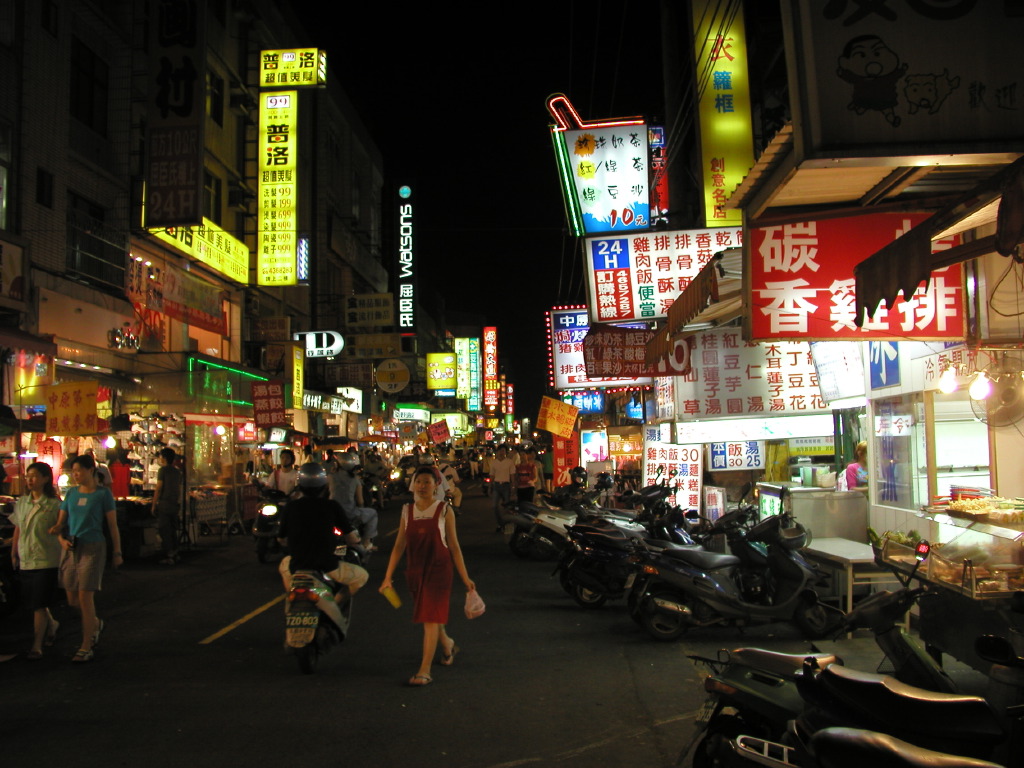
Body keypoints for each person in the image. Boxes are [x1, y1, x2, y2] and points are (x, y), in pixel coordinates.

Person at [380, 465, 475, 687]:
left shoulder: (444, 510)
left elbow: (454, 546)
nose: (422, 486)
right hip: (415, 571)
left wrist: (465, 577)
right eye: (419, 481)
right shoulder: (407, 511)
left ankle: (425, 670)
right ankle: (448, 644)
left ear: (436, 485)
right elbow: (398, 546)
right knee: (428, 615)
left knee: (430, 619)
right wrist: (387, 577)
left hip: (439, 571)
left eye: (427, 482)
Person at [50, 454, 122, 663]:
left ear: (91, 470)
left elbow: (112, 526)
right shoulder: (71, 494)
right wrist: (59, 536)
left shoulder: (102, 495)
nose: (76, 475)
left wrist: (117, 551)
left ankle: (86, 644)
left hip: (93, 547)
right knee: (72, 599)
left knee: (84, 596)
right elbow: (61, 523)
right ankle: (95, 623)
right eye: (73, 472)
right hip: (72, 547)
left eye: (79, 471)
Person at [277, 463, 368, 603]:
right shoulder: (331, 506)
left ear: (300, 485)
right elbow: (351, 537)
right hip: (327, 565)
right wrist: (357, 542)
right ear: (324, 487)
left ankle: (292, 597)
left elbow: (281, 539)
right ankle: (336, 604)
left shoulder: (291, 507)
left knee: (284, 564)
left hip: (297, 565)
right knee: (361, 576)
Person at [10, 462, 62, 660]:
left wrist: (58, 530)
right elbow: (18, 527)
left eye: (34, 476)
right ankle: (52, 624)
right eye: (28, 476)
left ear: (45, 479)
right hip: (26, 557)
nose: (30, 480)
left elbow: (62, 527)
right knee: (34, 602)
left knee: (39, 604)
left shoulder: (53, 504)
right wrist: (14, 551)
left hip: (46, 558)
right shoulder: (22, 502)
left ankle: (37, 645)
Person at [330, 453, 379, 551]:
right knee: (372, 513)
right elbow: (360, 501)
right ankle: (367, 543)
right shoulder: (355, 479)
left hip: (331, 513)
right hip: (350, 513)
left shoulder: (330, 477)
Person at [151, 447, 182, 565]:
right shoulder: (177, 471)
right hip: (174, 504)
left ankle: (169, 556)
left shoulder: (162, 471)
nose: (159, 458)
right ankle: (175, 553)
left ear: (164, 458)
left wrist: (154, 504)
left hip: (165, 504)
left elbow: (158, 488)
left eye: (160, 456)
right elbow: (178, 489)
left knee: (165, 530)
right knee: (173, 529)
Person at [489, 445, 516, 531]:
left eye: (503, 450)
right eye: (500, 450)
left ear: (506, 452)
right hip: (497, 485)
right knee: (494, 506)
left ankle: (507, 523)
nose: (501, 452)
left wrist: (513, 486)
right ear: (497, 452)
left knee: (507, 506)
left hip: (506, 485)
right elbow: (492, 475)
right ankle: (500, 523)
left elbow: (512, 475)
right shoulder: (494, 462)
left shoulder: (509, 462)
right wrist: (490, 486)